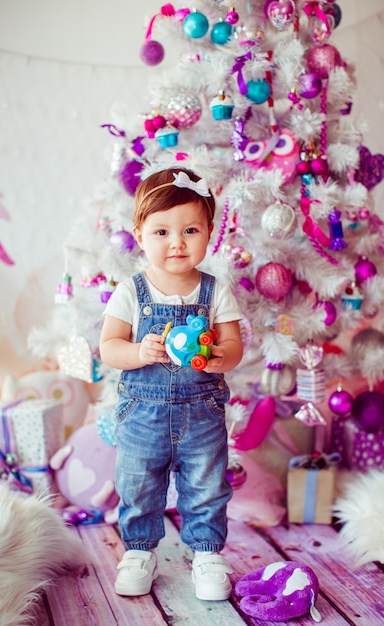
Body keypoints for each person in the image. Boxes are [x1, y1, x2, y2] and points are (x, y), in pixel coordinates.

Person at [99, 167, 243, 601]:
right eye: (161, 231)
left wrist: (221, 357)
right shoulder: (131, 290)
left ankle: (207, 554)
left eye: (190, 230)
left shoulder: (215, 291)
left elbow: (235, 343)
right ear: (139, 235)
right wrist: (139, 352)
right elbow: (108, 346)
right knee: (138, 483)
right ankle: (139, 551)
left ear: (210, 234)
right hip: (143, 413)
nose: (176, 242)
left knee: (207, 484)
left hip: (203, 414)